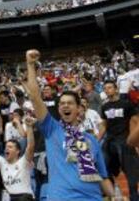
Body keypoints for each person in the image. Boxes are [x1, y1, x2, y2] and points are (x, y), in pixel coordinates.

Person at [22, 49, 114, 200]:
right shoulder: (51, 129)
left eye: (70, 103)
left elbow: (102, 177)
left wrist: (117, 196)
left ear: (79, 109)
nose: (65, 106)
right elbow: (34, 96)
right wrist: (30, 65)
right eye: (62, 104)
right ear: (58, 109)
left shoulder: (92, 141)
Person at [99, 80, 139, 201]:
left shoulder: (126, 104)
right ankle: (112, 194)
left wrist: (132, 141)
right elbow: (104, 125)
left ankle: (134, 196)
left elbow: (135, 122)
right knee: (104, 167)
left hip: (124, 141)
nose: (107, 90)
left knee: (130, 172)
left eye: (110, 87)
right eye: (105, 88)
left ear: (116, 89)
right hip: (110, 141)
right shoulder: (104, 106)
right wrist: (97, 140)